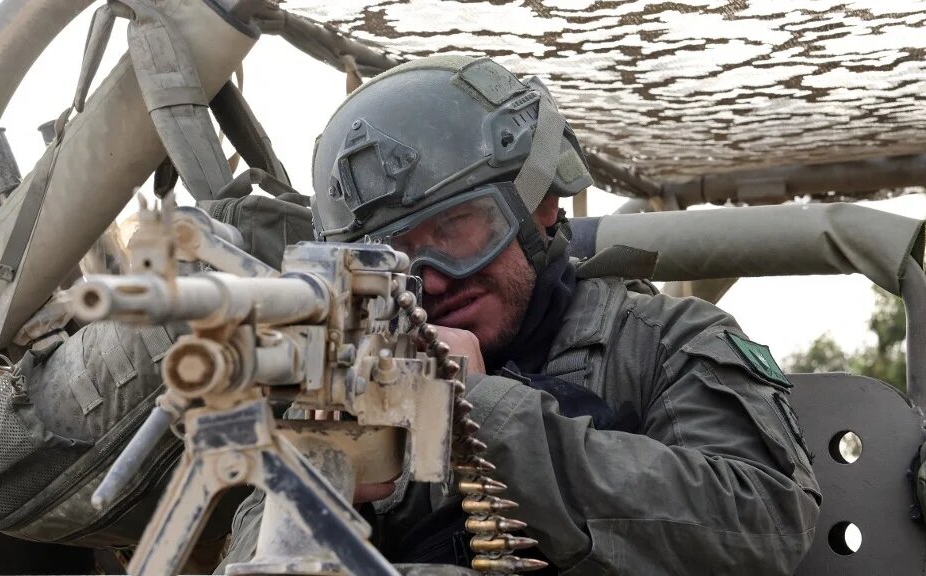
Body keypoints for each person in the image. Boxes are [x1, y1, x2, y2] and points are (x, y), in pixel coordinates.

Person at [219, 55, 821, 575]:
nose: (429, 278)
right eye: (393, 256)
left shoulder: (665, 344)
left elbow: (763, 526)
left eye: (455, 228)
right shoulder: (358, 382)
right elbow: (250, 555)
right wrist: (314, 501)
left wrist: (474, 409)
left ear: (541, 204)